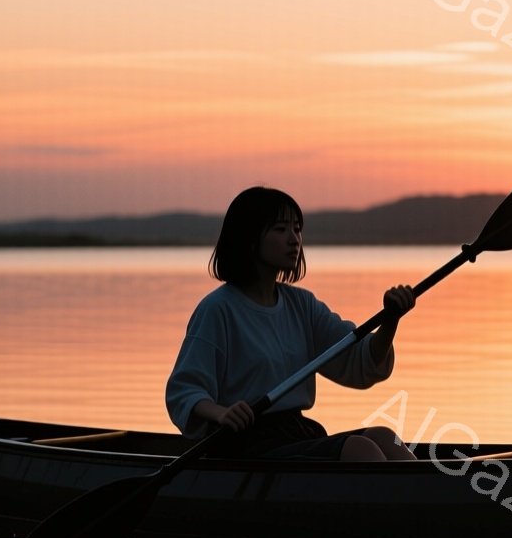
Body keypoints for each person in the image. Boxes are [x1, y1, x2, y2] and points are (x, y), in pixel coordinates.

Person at [165, 186, 418, 461]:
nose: (294, 239)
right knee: (359, 449)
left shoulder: (302, 305)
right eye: (280, 229)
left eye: (297, 229)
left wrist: (390, 321)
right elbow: (184, 391)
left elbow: (358, 360)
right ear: (249, 237)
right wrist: (222, 413)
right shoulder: (218, 309)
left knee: (384, 437)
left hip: (296, 433)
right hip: (244, 443)